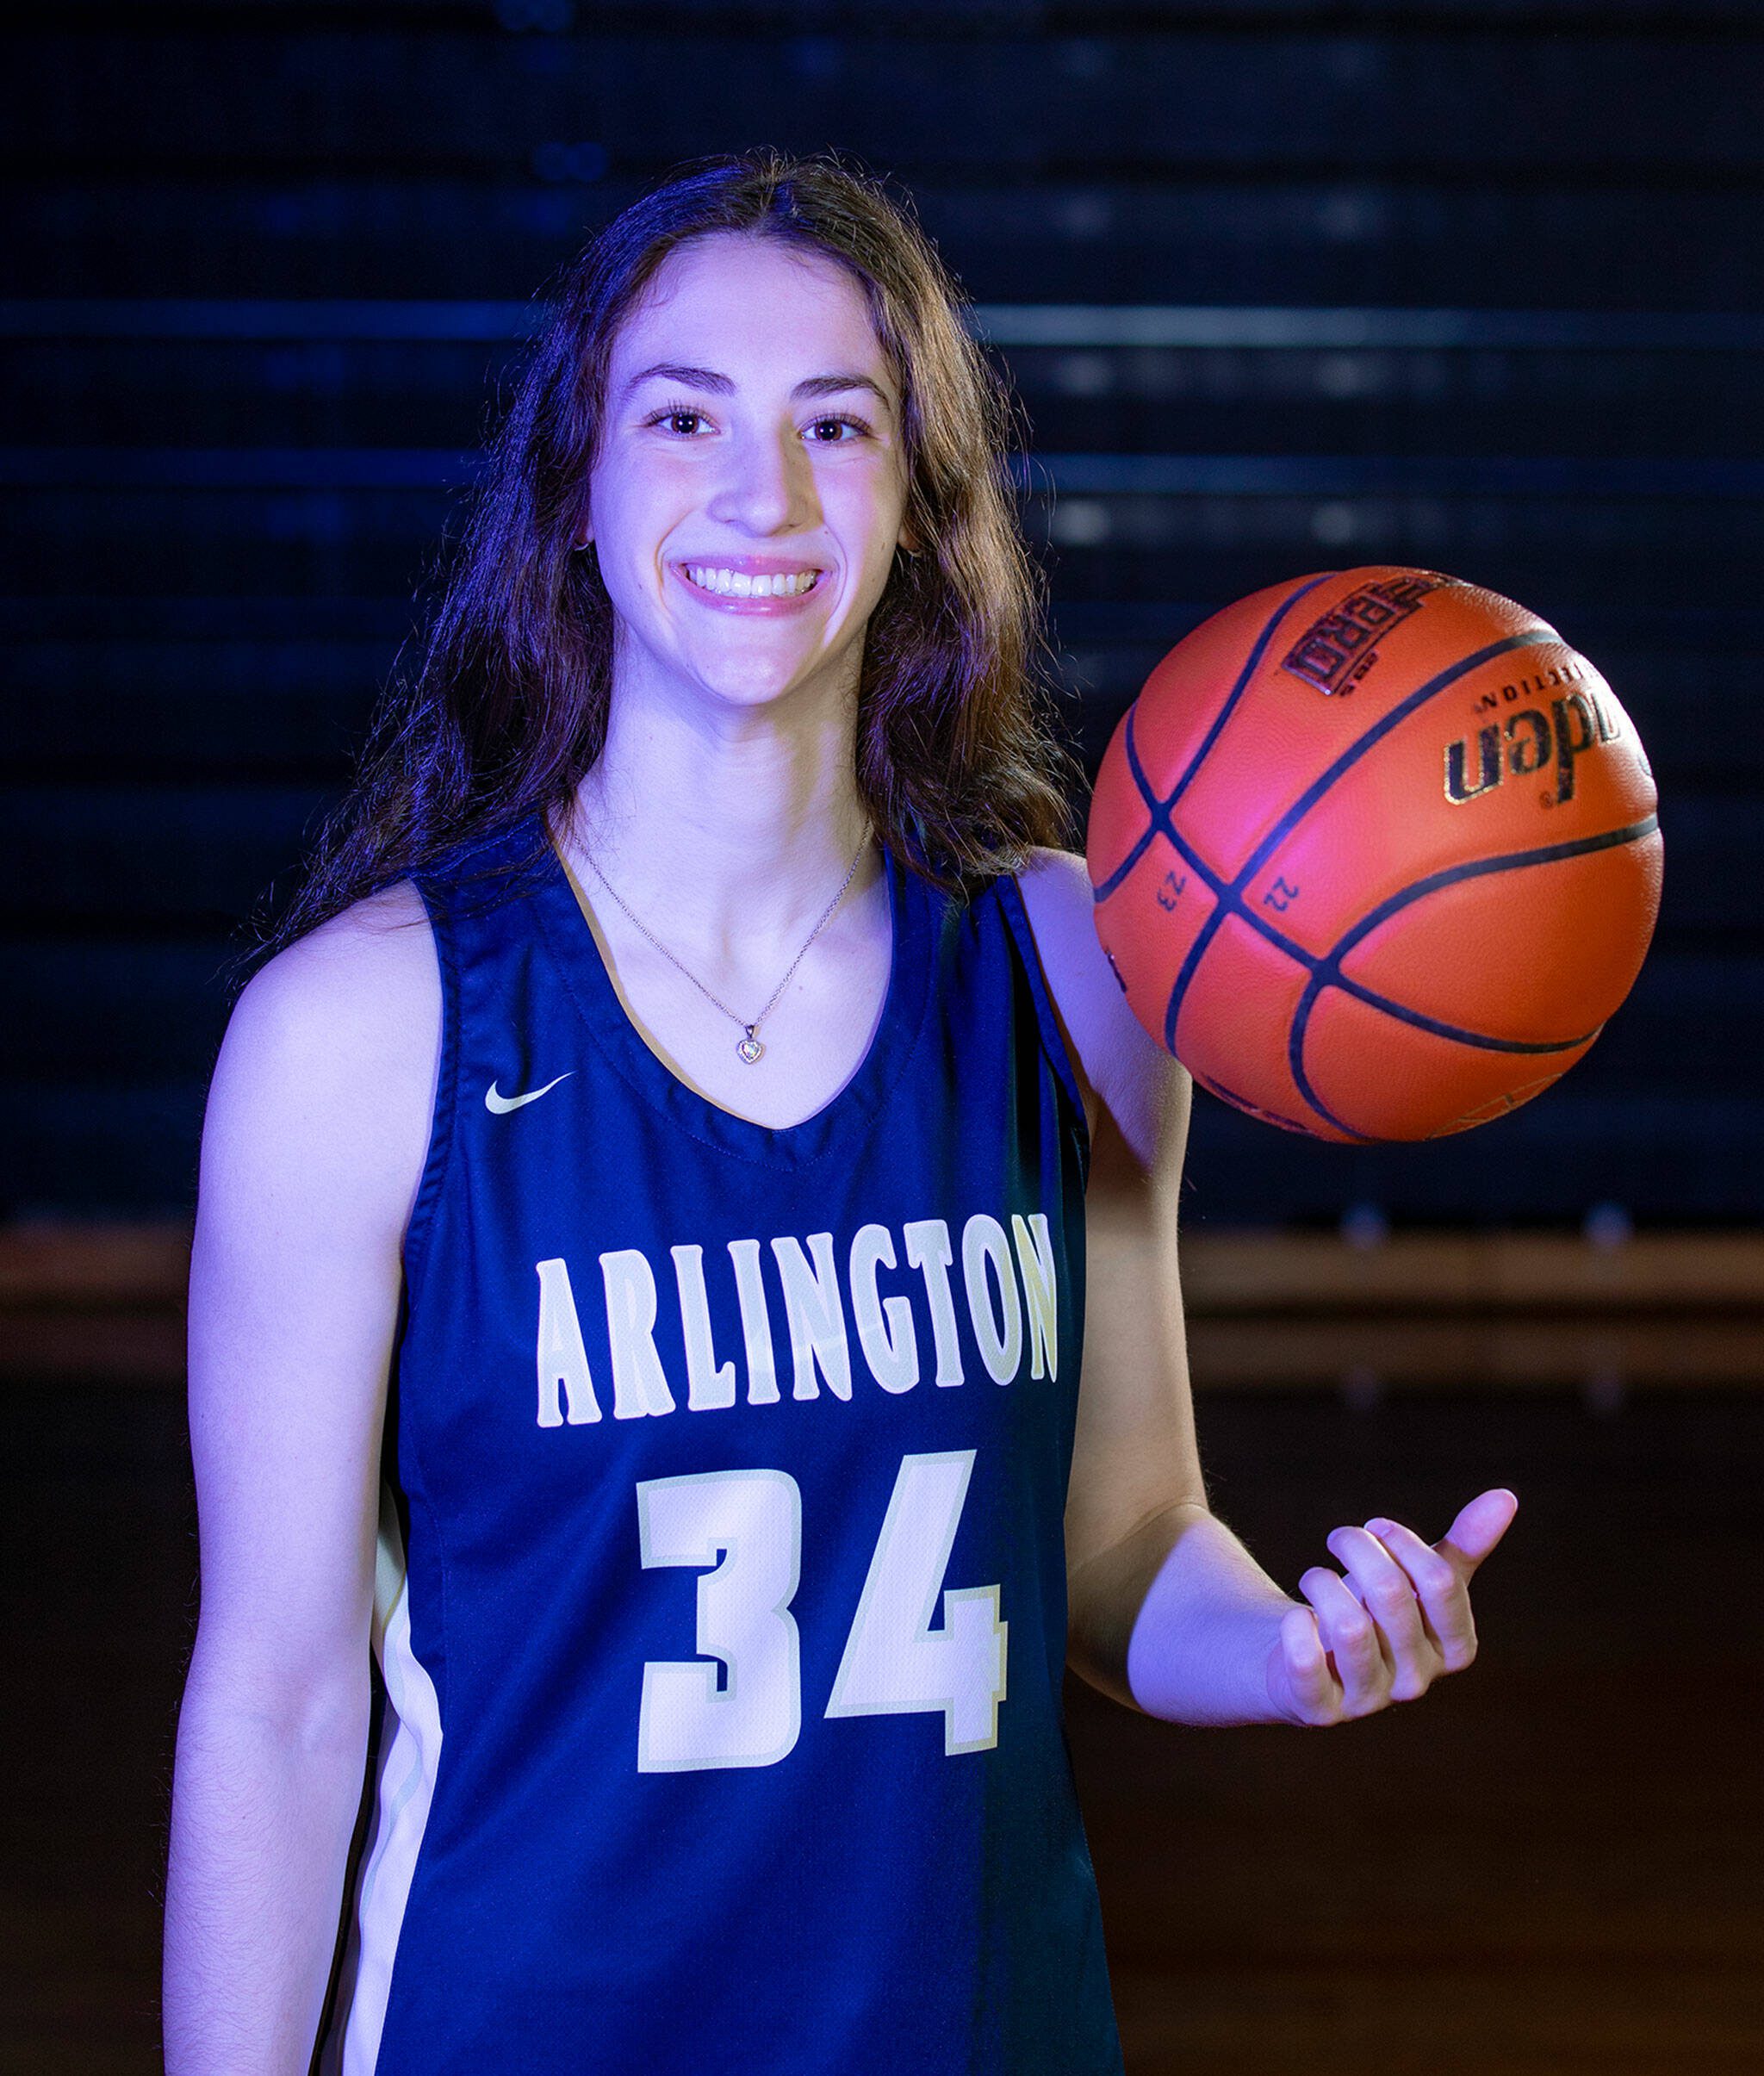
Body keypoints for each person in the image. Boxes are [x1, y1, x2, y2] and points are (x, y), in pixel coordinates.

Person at [162, 151, 1517, 2075]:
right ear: (578, 487)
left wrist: (1297, 1655)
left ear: (918, 502)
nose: (761, 495)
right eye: (685, 415)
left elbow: (1123, 1535)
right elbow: (279, 1699)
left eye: (837, 424)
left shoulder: (1078, 966)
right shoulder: (359, 1033)